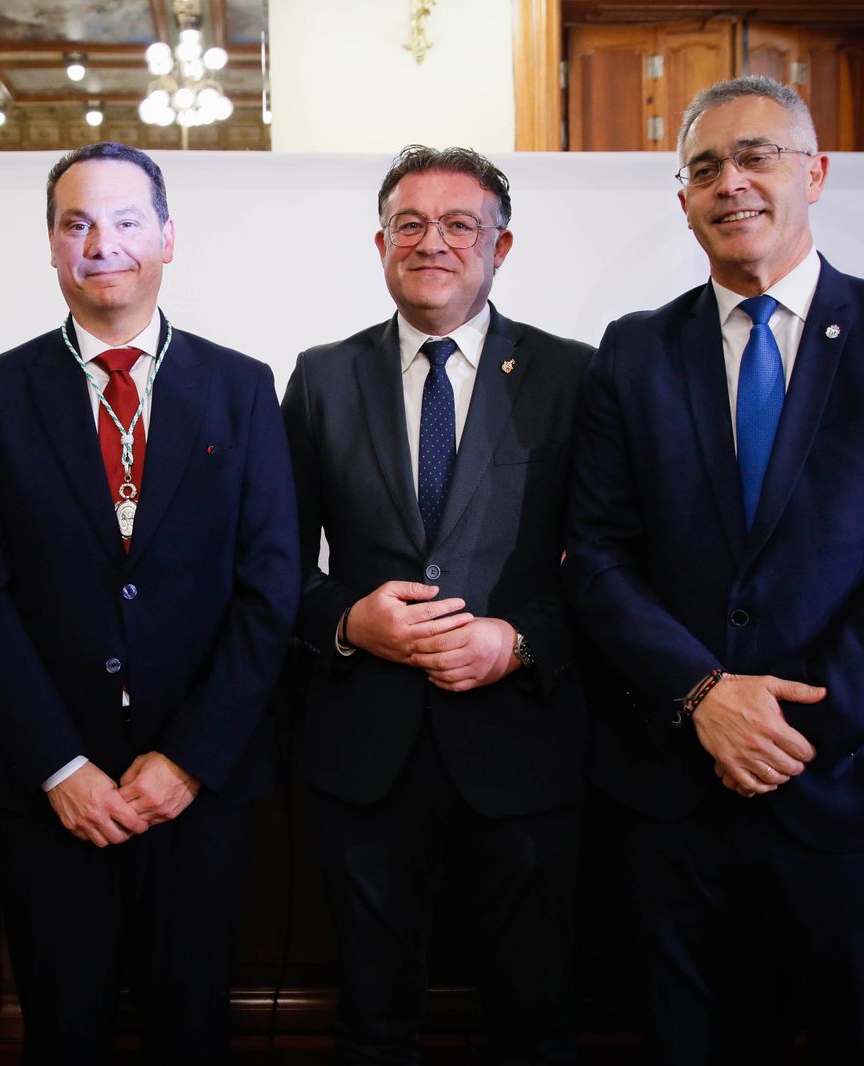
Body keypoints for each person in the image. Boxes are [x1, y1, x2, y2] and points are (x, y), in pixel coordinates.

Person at [563, 76, 864, 1064]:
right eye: (705, 167)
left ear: (814, 172)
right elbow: (595, 556)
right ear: (681, 197)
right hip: (678, 803)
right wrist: (702, 696)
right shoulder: (633, 353)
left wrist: (785, 723)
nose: (732, 183)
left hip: (858, 792)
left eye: (756, 155)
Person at [0, 141, 299, 1065]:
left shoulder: (243, 387)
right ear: (54, 248)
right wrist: (60, 766)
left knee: (192, 1027)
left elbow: (270, 593)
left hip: (197, 790)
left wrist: (188, 760)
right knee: (62, 1030)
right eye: (77, 223)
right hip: (52, 791)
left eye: (127, 219)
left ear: (168, 238)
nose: (103, 243)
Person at [281, 145, 592, 1064]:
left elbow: (612, 563)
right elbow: (276, 567)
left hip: (523, 746)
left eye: (461, 224)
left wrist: (521, 640)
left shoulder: (573, 377)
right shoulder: (322, 378)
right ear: (381, 243)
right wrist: (344, 621)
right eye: (411, 224)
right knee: (373, 1022)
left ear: (502, 245)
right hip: (365, 754)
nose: (434, 242)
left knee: (534, 1020)